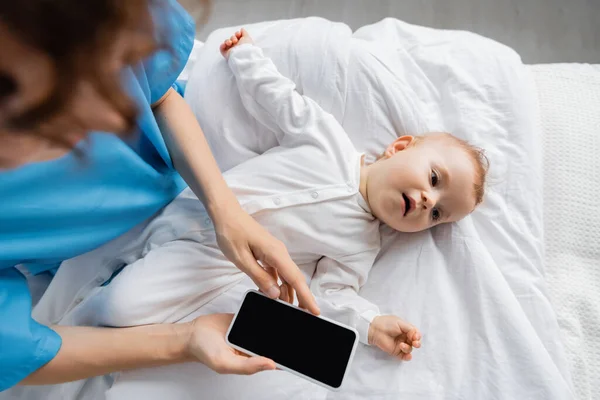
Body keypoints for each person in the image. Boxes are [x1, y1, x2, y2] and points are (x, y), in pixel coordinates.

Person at [67, 29, 488, 363]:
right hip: (195, 200)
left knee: (121, 308)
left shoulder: (361, 246)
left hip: (212, 264)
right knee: (91, 233)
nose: (430, 202)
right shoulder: (329, 141)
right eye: (434, 178)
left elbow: (335, 296)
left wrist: (372, 323)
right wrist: (245, 56)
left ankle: (73, 332)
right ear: (399, 147)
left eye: (438, 215)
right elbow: (282, 102)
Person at [0, 1, 320, 392]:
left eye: (108, 74)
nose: (115, 121)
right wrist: (182, 340)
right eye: (54, 111)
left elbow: (157, 95)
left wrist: (225, 211)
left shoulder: (98, 16)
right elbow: (20, 352)